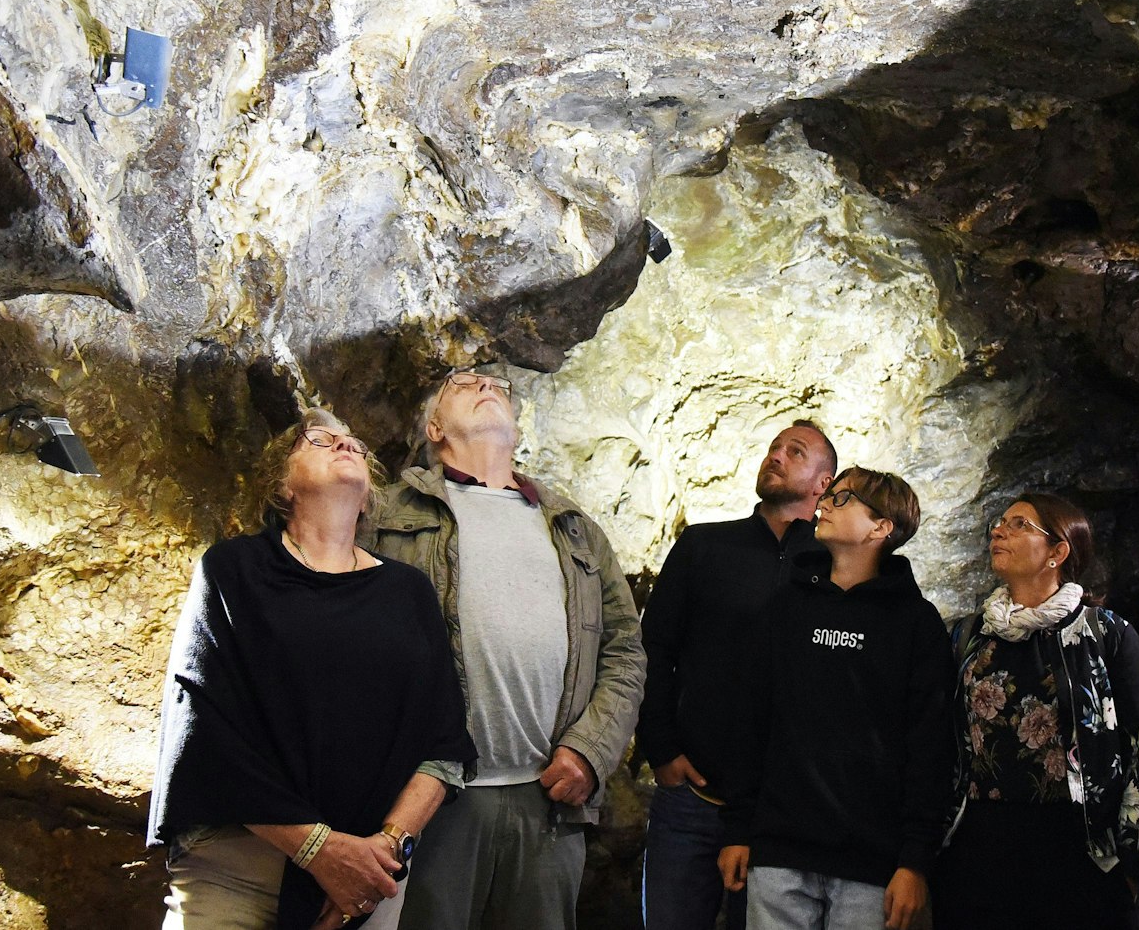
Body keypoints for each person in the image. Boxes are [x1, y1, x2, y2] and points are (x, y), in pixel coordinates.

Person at [150, 409, 476, 930]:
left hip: (368, 877)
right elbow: (202, 725)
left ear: (370, 492)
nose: (345, 445)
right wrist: (319, 851)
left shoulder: (407, 591)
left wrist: (383, 850)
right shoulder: (233, 570)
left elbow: (444, 743)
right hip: (240, 864)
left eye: (355, 443)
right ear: (282, 485)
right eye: (320, 439)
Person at [364, 368, 645, 930]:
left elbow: (625, 650)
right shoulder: (385, 517)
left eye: (498, 386)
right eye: (463, 384)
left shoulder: (573, 527)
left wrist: (590, 749)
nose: (488, 386)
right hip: (430, 799)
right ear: (435, 427)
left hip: (548, 803)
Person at [718, 467, 953, 930]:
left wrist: (915, 861)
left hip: (872, 863)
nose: (823, 501)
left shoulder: (916, 624)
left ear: (881, 527)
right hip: (780, 850)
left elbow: (930, 746)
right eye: (829, 493)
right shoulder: (787, 606)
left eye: (843, 499)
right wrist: (738, 829)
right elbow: (750, 721)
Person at [931, 492, 1139, 930]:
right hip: (980, 849)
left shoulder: (1106, 634)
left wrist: (1133, 862)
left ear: (1058, 552)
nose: (999, 530)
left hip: (1078, 848)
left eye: (1020, 524)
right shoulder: (966, 635)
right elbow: (940, 744)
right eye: (1000, 523)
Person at [637, 420, 838, 930]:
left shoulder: (835, 564)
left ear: (823, 485)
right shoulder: (703, 546)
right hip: (691, 797)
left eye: (795, 452)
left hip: (783, 811)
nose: (776, 456)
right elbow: (653, 649)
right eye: (773, 448)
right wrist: (660, 748)